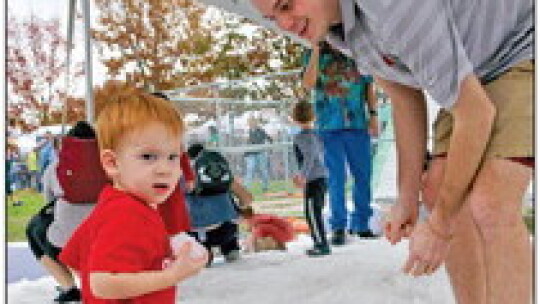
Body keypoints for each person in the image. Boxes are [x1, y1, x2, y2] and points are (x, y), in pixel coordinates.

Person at [250, 0, 533, 303]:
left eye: (286, 4)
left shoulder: (389, 6)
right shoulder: (337, 29)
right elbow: (404, 98)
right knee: (439, 193)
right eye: (272, 17)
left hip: (523, 46)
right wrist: (407, 197)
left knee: (490, 203)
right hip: (476, 72)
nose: (285, 24)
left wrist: (439, 227)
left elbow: (475, 115)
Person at [59, 82, 208, 303]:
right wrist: (171, 275)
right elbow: (101, 283)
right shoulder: (127, 214)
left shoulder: (114, 204)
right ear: (111, 163)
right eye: (148, 156)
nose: (164, 169)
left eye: (173, 156)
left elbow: (75, 259)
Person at [302, 40, 380, 244]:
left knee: (363, 175)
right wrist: (316, 50)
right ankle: (338, 226)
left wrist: (373, 115)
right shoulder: (314, 54)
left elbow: (368, 85)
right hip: (328, 128)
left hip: (357, 124)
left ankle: (361, 224)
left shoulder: (358, 50)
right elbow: (308, 84)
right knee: (336, 178)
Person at [185, 143, 252, 265]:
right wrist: (240, 208)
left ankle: (205, 254)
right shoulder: (222, 176)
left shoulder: (186, 177)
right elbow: (247, 198)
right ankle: (231, 249)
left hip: (202, 231)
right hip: (229, 227)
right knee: (230, 235)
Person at [290, 101, 330, 256]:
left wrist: (302, 176)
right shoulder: (316, 134)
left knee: (312, 213)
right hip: (320, 177)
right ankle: (320, 242)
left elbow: (309, 156)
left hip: (314, 179)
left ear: (294, 118)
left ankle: (321, 244)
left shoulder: (301, 137)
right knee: (314, 211)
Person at [244, 117, 273, 192]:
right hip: (250, 154)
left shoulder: (261, 131)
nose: (252, 124)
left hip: (260, 153)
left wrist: (270, 149)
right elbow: (247, 142)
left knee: (263, 170)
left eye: (254, 122)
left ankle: (265, 186)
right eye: (250, 123)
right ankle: (247, 187)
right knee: (250, 168)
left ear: (256, 123)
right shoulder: (247, 131)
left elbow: (270, 139)